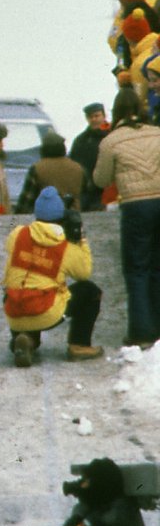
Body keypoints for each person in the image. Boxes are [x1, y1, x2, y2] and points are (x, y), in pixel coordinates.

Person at [2, 185, 101, 365]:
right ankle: (79, 345)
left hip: (15, 310)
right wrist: (81, 239)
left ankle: (25, 339)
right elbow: (84, 273)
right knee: (89, 291)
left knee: (18, 285)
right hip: (45, 311)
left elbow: (11, 246)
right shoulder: (65, 246)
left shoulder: (17, 234)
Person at [93, 88, 160, 347]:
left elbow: (101, 179)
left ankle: (142, 331)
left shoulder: (112, 141)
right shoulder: (157, 132)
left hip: (135, 206)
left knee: (137, 269)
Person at [15, 131, 87, 215]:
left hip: (46, 219)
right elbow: (86, 194)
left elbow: (26, 200)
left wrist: (15, 219)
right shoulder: (78, 168)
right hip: (74, 217)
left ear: (43, 149)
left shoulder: (37, 168)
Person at [71, 103, 111, 211]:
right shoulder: (81, 140)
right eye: (90, 117)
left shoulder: (113, 135)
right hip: (88, 192)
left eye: (97, 116)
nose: (94, 119)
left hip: (110, 190)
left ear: (104, 116)